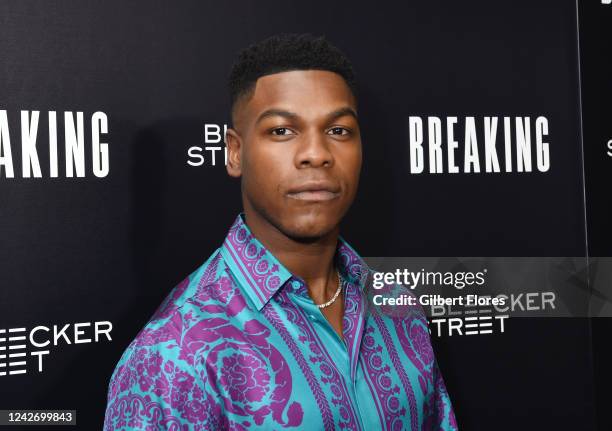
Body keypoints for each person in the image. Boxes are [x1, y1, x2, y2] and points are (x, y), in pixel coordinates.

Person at [104, 33, 457, 431]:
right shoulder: (174, 355)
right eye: (282, 131)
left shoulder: (398, 306)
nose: (316, 153)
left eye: (339, 130)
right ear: (235, 152)